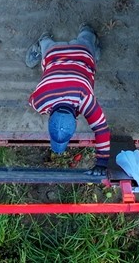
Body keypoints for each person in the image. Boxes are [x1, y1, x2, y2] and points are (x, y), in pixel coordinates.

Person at [26, 23, 109, 176]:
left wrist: (102, 163)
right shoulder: (40, 102)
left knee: (88, 53)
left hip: (83, 56)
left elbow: (102, 129)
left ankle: (86, 35)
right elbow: (32, 100)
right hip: (55, 54)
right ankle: (47, 41)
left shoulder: (84, 98)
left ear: (76, 122)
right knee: (54, 52)